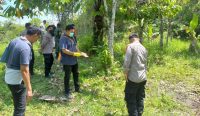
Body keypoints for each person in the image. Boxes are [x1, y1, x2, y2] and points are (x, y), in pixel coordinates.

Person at [4, 27, 41, 116]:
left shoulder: (15, 40)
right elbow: (24, 70)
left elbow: (6, 57)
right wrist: (29, 89)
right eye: (38, 37)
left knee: (18, 104)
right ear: (35, 35)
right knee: (20, 109)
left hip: (9, 76)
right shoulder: (25, 47)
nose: (37, 40)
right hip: (17, 80)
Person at [59, 24, 88, 98]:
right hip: (67, 61)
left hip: (74, 60)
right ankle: (67, 92)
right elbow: (64, 50)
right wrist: (74, 53)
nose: (73, 33)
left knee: (76, 74)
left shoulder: (72, 37)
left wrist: (80, 53)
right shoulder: (63, 38)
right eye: (71, 31)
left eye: (73, 31)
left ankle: (77, 89)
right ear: (67, 30)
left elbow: (75, 46)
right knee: (67, 76)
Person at [123, 33, 147, 116]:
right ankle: (139, 113)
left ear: (131, 39)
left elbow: (126, 62)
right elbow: (145, 64)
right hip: (143, 78)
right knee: (140, 98)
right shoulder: (144, 48)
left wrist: (125, 74)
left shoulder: (130, 46)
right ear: (138, 39)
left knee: (130, 99)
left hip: (133, 78)